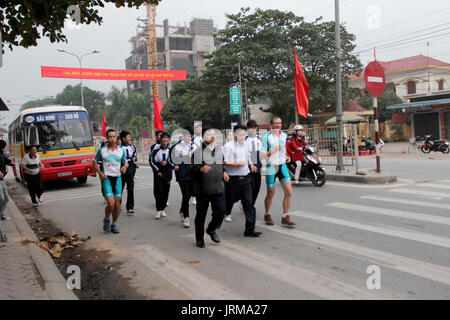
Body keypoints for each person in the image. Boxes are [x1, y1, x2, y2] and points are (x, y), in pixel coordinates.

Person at [191, 128, 229, 248]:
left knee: (221, 211)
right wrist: (201, 169)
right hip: (203, 189)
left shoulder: (218, 150)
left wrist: (224, 172)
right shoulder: (197, 152)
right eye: (209, 135)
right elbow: (192, 169)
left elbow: (220, 165)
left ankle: (211, 229)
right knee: (201, 215)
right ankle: (199, 238)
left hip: (218, 187)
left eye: (214, 135)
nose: (212, 137)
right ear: (203, 137)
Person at [223, 125, 261, 237]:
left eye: (244, 134)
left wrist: (251, 164)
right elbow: (223, 161)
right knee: (228, 202)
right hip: (232, 181)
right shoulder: (228, 147)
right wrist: (236, 164)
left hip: (246, 179)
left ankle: (249, 230)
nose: (243, 137)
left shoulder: (245, 145)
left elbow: (248, 157)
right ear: (235, 135)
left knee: (249, 204)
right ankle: (217, 222)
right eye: (240, 134)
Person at [261, 116, 296, 227]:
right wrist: (274, 150)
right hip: (271, 166)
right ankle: (267, 214)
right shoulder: (267, 137)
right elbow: (262, 154)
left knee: (289, 192)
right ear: (271, 124)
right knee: (271, 193)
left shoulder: (284, 135)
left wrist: (287, 156)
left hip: (282, 166)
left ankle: (285, 216)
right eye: (276, 123)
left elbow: (284, 150)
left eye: (279, 123)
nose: (278, 125)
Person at [93, 129, 128, 234]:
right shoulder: (102, 151)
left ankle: (114, 224)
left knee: (117, 205)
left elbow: (125, 162)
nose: (112, 138)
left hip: (118, 179)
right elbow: (95, 162)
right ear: (107, 138)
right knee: (111, 204)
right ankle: (107, 218)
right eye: (110, 137)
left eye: (114, 136)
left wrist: (124, 167)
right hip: (107, 179)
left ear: (116, 137)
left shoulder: (121, 150)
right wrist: (100, 173)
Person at [171, 127, 194, 228]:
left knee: (190, 194)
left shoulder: (195, 146)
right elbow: (170, 159)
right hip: (182, 174)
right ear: (183, 136)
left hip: (192, 174)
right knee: (186, 194)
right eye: (186, 135)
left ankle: (181, 210)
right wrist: (174, 165)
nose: (188, 138)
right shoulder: (177, 147)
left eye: (190, 136)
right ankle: (186, 217)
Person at [150, 132, 174, 219]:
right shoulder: (155, 149)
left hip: (167, 172)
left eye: (167, 138)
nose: (165, 140)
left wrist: (167, 162)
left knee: (165, 192)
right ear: (161, 139)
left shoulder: (171, 149)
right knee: (158, 191)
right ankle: (158, 210)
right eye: (164, 138)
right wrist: (157, 171)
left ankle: (163, 209)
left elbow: (173, 161)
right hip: (158, 172)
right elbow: (151, 161)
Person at [120, 131, 138, 215]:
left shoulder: (133, 147)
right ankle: (117, 205)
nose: (129, 138)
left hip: (130, 169)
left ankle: (130, 207)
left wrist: (135, 162)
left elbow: (135, 156)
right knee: (120, 189)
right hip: (122, 169)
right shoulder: (119, 148)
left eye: (130, 137)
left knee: (130, 188)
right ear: (123, 138)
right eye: (128, 137)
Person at [245, 119, 263, 206]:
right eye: (251, 128)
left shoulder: (260, 139)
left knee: (257, 189)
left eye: (254, 128)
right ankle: (249, 206)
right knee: (250, 188)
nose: (253, 130)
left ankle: (250, 204)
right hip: (248, 169)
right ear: (247, 129)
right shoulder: (244, 140)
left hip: (258, 168)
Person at [0, 140, 15, 220]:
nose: (5, 148)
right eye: (4, 146)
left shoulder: (2, 154)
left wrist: (11, 162)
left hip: (2, 180)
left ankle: (2, 215)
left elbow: (7, 161)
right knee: (1, 198)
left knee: (6, 198)